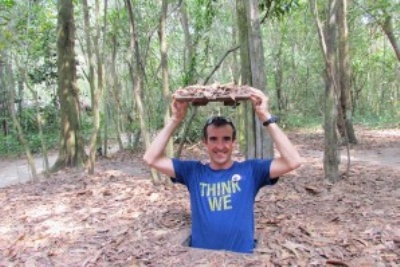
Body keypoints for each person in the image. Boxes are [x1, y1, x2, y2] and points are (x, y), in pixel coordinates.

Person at [143, 87, 301, 254]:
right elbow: (151, 158)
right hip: (200, 259)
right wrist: (175, 119)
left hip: (241, 261)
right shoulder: (193, 172)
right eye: (213, 139)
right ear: (205, 142)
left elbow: (293, 161)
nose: (220, 146)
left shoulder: (251, 171)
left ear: (233, 142)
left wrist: (265, 117)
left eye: (226, 139)